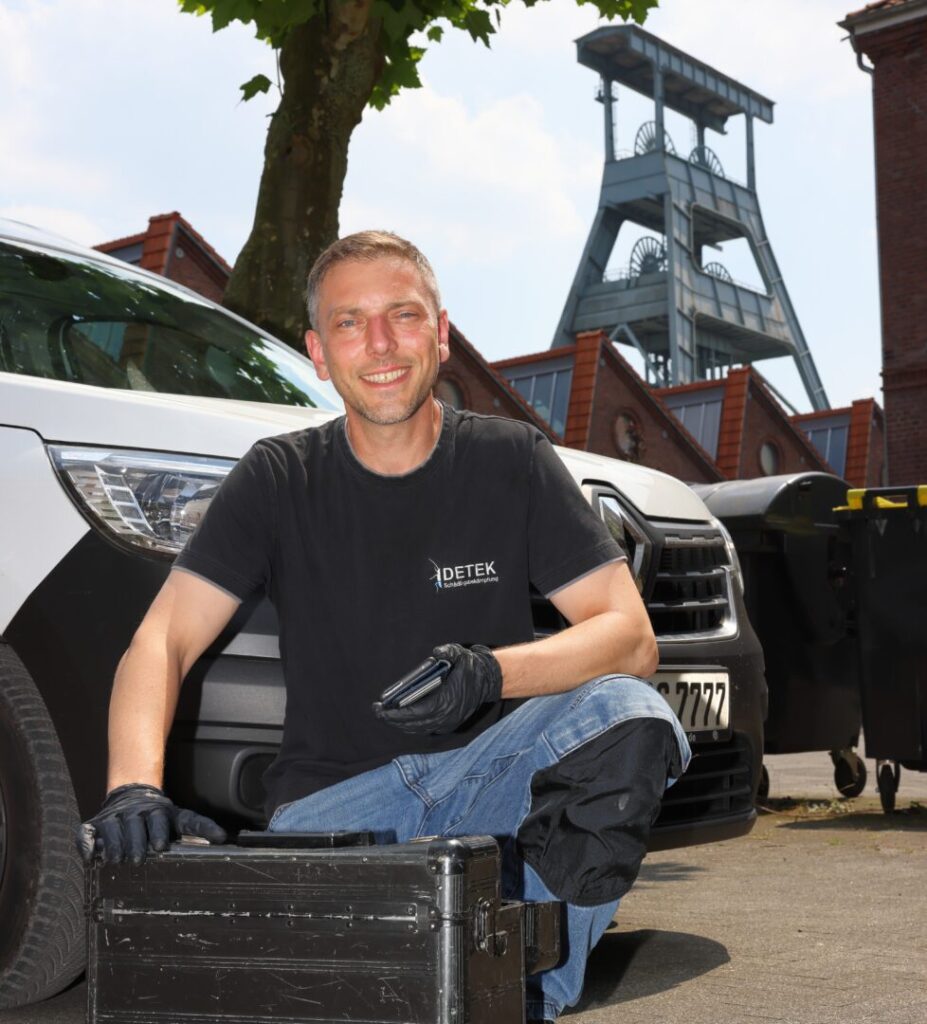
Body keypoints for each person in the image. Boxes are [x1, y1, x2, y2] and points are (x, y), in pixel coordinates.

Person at [77, 230, 690, 1022]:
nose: (379, 344)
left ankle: (524, 993)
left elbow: (628, 637)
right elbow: (161, 639)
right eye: (348, 323)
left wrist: (491, 673)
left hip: (483, 793)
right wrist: (132, 786)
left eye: (402, 316)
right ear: (318, 350)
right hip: (333, 816)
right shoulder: (278, 476)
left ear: (439, 333)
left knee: (633, 716)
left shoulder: (511, 460)